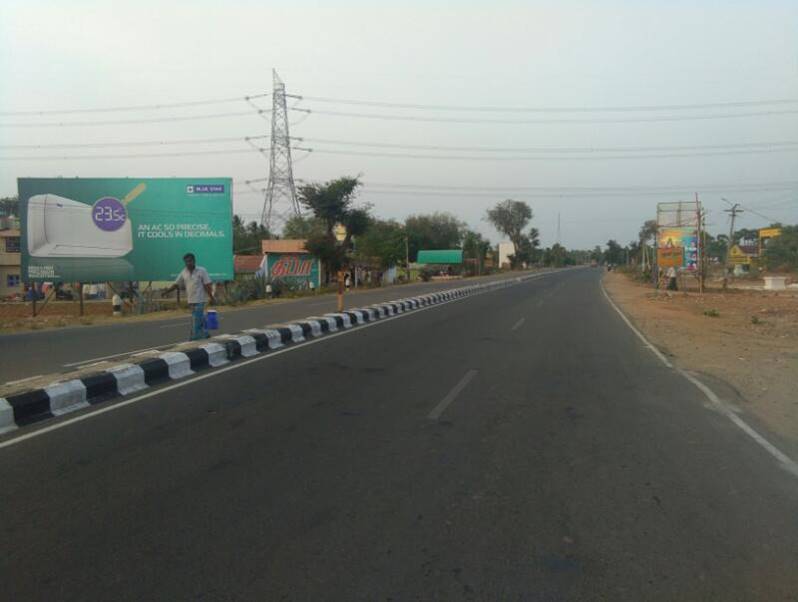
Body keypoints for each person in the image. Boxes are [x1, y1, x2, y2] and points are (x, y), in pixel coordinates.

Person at [163, 253, 215, 340]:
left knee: (196, 319)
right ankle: (205, 334)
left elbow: (207, 285)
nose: (188, 263)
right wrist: (166, 292)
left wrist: (211, 297)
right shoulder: (184, 272)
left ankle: (194, 338)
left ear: (194, 261)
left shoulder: (202, 270)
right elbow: (176, 284)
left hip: (200, 300)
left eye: (190, 261)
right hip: (191, 301)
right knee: (198, 319)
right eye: (186, 262)